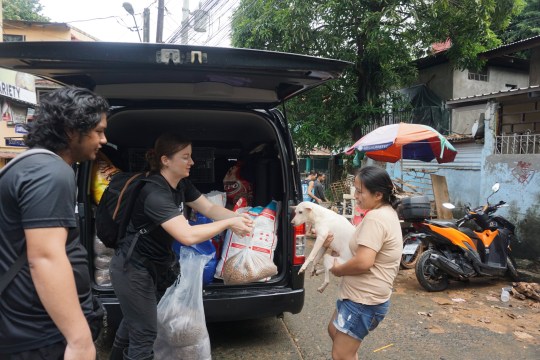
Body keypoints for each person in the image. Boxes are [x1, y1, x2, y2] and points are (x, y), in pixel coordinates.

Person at [109, 133, 254, 360]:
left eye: (191, 156)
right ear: (166, 160)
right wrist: (230, 223)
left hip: (154, 267)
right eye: (185, 157)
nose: (192, 162)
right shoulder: (154, 193)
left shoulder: (180, 185)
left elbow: (210, 209)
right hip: (132, 269)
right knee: (145, 332)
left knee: (133, 324)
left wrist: (241, 219)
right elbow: (186, 235)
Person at [0, 87, 109, 360]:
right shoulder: (51, 172)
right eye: (98, 131)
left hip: (30, 329)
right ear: (72, 131)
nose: (104, 140)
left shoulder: (30, 165)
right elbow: (45, 257)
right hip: (38, 335)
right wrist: (79, 339)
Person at [324, 166, 402, 360]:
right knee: (333, 331)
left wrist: (338, 270)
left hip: (364, 300)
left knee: (341, 354)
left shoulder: (376, 218)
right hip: (358, 296)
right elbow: (360, 249)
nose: (355, 195)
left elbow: (364, 261)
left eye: (360, 191)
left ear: (378, 194)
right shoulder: (384, 212)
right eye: (355, 190)